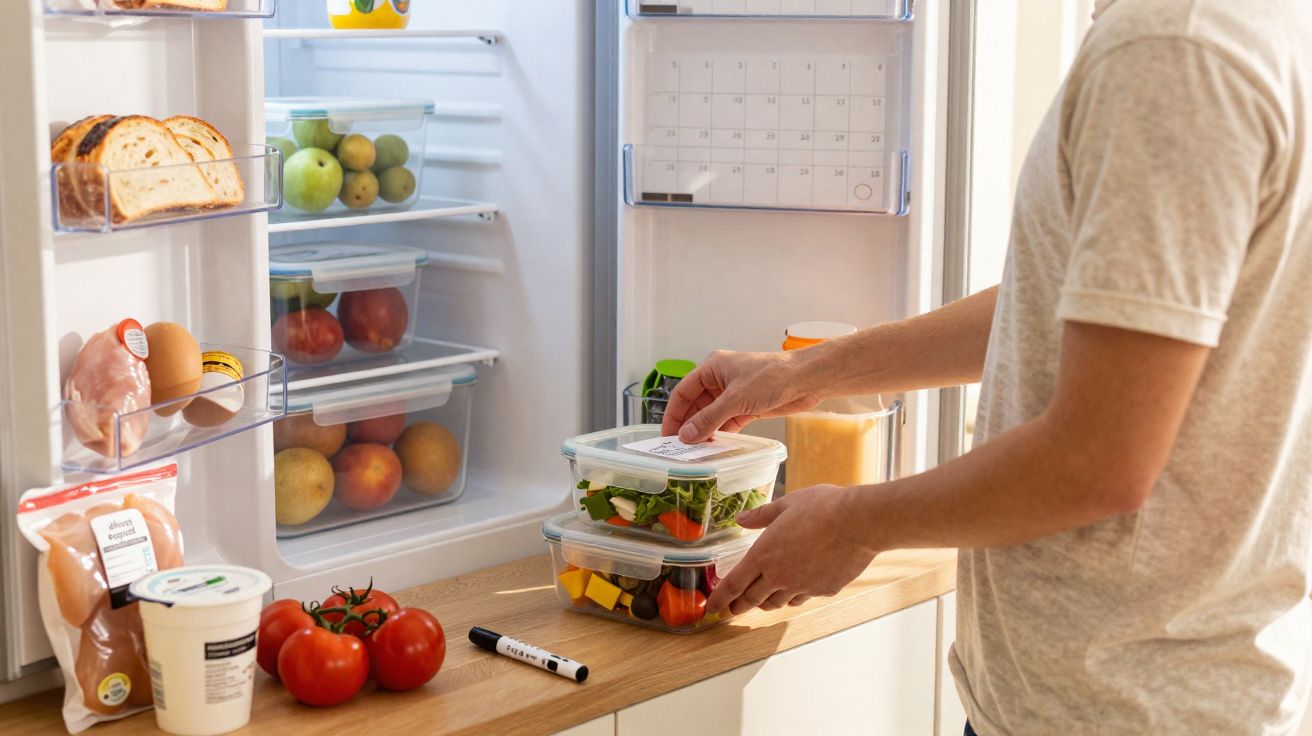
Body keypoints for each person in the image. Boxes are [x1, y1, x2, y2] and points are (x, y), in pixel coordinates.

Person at [659, 0, 1312, 733]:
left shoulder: (1169, 50)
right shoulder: (1256, 24)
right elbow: (1073, 302)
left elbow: (1099, 461)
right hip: (1163, 688)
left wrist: (852, 524)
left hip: (1118, 706)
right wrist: (810, 373)